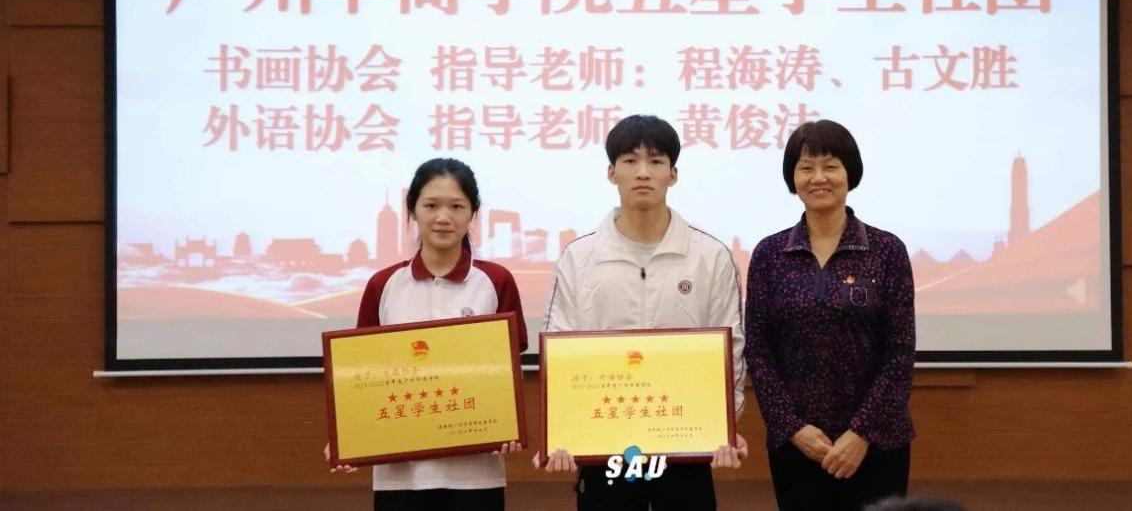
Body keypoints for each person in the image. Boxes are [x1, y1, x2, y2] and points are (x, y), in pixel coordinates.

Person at [536, 114, 748, 510]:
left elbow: (731, 348)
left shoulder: (710, 256)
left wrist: (725, 423)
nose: (643, 173)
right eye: (630, 161)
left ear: (673, 174)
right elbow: (559, 347)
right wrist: (561, 430)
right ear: (611, 172)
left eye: (656, 161)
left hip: (685, 437)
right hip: (604, 438)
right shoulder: (579, 257)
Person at [326, 157, 529, 511]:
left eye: (456, 206)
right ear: (413, 211)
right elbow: (361, 375)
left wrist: (508, 424)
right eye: (431, 205)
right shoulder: (383, 285)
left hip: (475, 474)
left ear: (472, 213)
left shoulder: (496, 281)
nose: (443, 217)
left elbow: (509, 370)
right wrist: (348, 435)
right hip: (399, 475)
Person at [744, 120, 915, 511]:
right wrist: (792, 428)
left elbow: (900, 352)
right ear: (793, 177)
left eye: (830, 166)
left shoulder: (887, 251)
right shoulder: (770, 254)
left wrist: (861, 433)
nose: (818, 177)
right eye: (806, 168)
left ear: (850, 172)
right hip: (798, 446)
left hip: (876, 444)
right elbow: (759, 349)